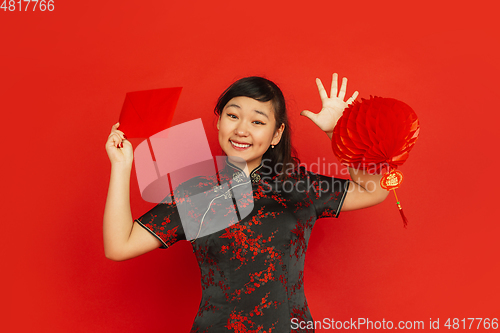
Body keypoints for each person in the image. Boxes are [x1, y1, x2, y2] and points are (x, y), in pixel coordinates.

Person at [104, 74, 389, 332]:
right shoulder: (195, 194)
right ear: (218, 122)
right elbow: (119, 246)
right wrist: (121, 166)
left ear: (277, 134)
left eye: (258, 121)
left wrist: (338, 134)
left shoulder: (298, 186)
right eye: (232, 116)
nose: (242, 129)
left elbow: (374, 190)